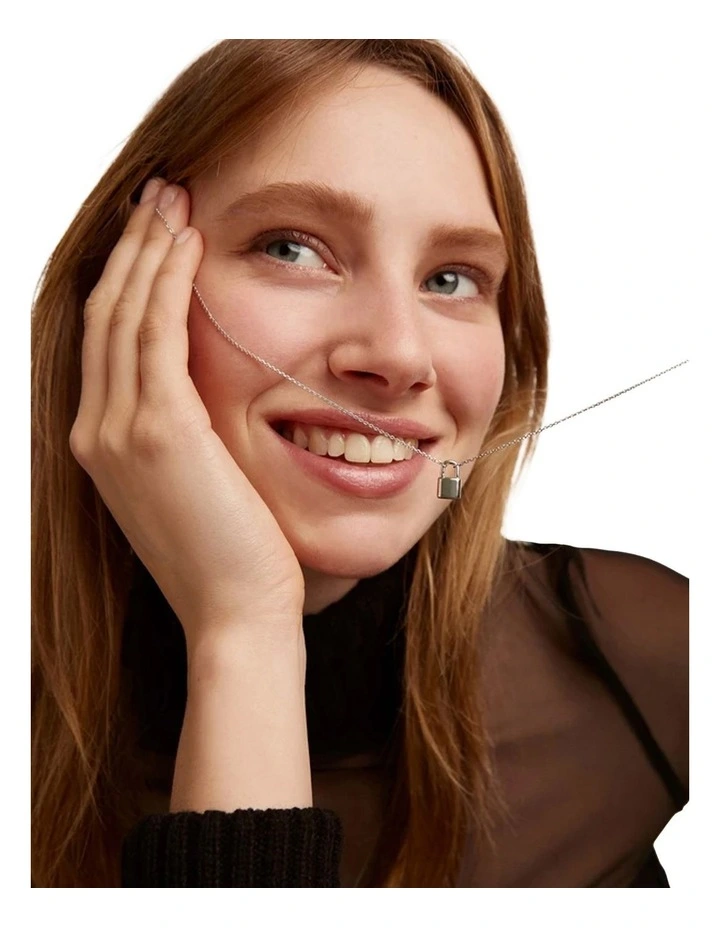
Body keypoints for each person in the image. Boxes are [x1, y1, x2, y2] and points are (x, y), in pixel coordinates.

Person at [30, 39, 688, 888]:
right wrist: (244, 631)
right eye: (292, 249)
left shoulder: (645, 655)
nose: (399, 355)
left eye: (450, 279)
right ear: (120, 287)